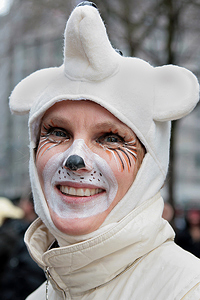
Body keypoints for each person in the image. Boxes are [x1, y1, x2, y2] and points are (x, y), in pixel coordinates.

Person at [9, 2, 200, 299]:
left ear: (149, 163)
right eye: (58, 133)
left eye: (110, 138)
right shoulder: (40, 295)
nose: (75, 160)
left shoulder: (187, 289)